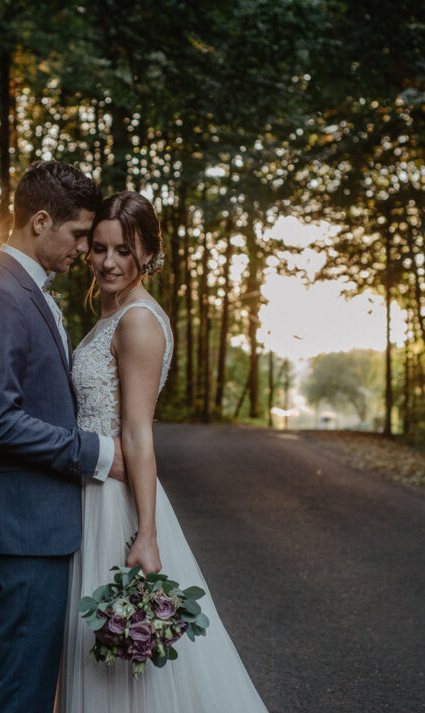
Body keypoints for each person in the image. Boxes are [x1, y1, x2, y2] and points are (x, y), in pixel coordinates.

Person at [59, 191, 269, 712]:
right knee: (101, 655)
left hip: (113, 503)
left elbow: (138, 433)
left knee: (120, 661)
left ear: (149, 253)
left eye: (124, 251)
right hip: (88, 493)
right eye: (100, 248)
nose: (108, 262)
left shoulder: (138, 321)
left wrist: (146, 534)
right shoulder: (114, 311)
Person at [0, 160, 127, 713]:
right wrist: (96, 452)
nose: (86, 249)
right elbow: (0, 421)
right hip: (22, 527)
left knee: (14, 679)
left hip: (34, 524)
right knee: (22, 691)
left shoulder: (29, 291)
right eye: (80, 234)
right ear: (39, 221)